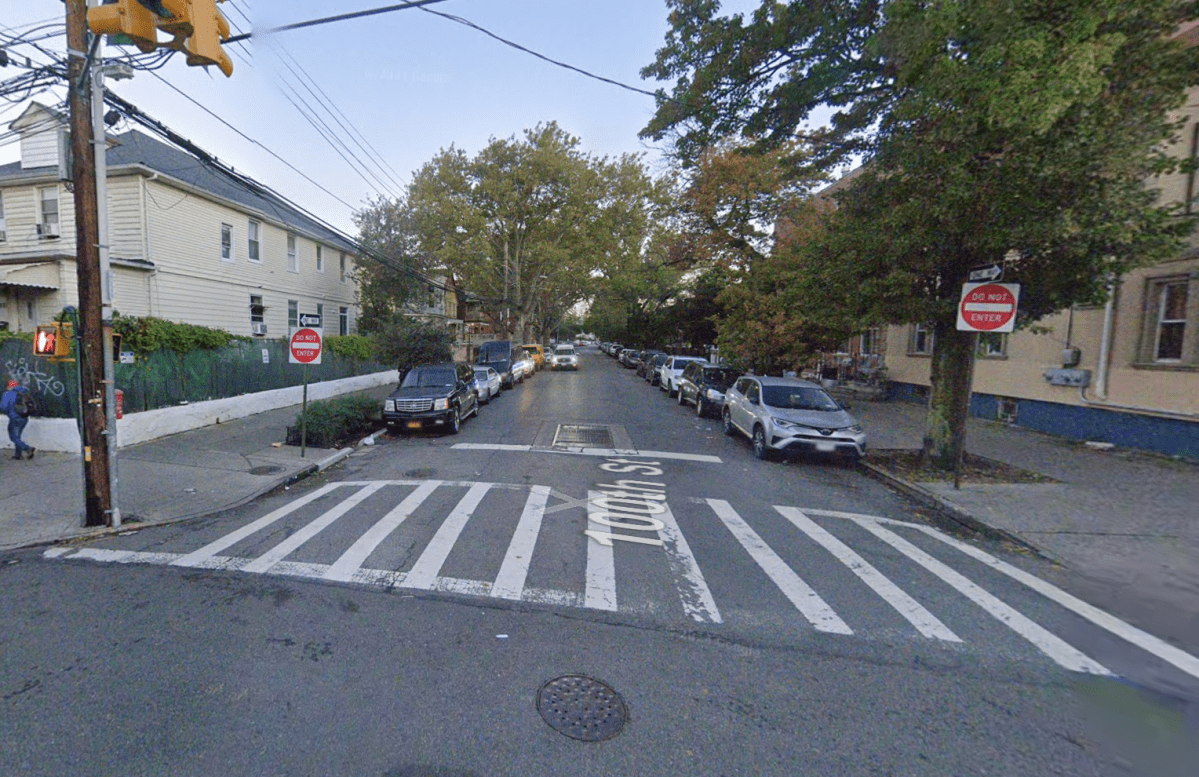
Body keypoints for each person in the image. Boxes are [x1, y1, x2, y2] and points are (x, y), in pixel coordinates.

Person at [0, 379, 36, 460]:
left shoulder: (7, 394)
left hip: (14, 418)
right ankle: (18, 455)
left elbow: (3, 407)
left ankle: (28, 448)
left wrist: (8, 412)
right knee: (17, 437)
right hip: (24, 417)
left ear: (9, 386)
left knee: (13, 437)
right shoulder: (24, 392)